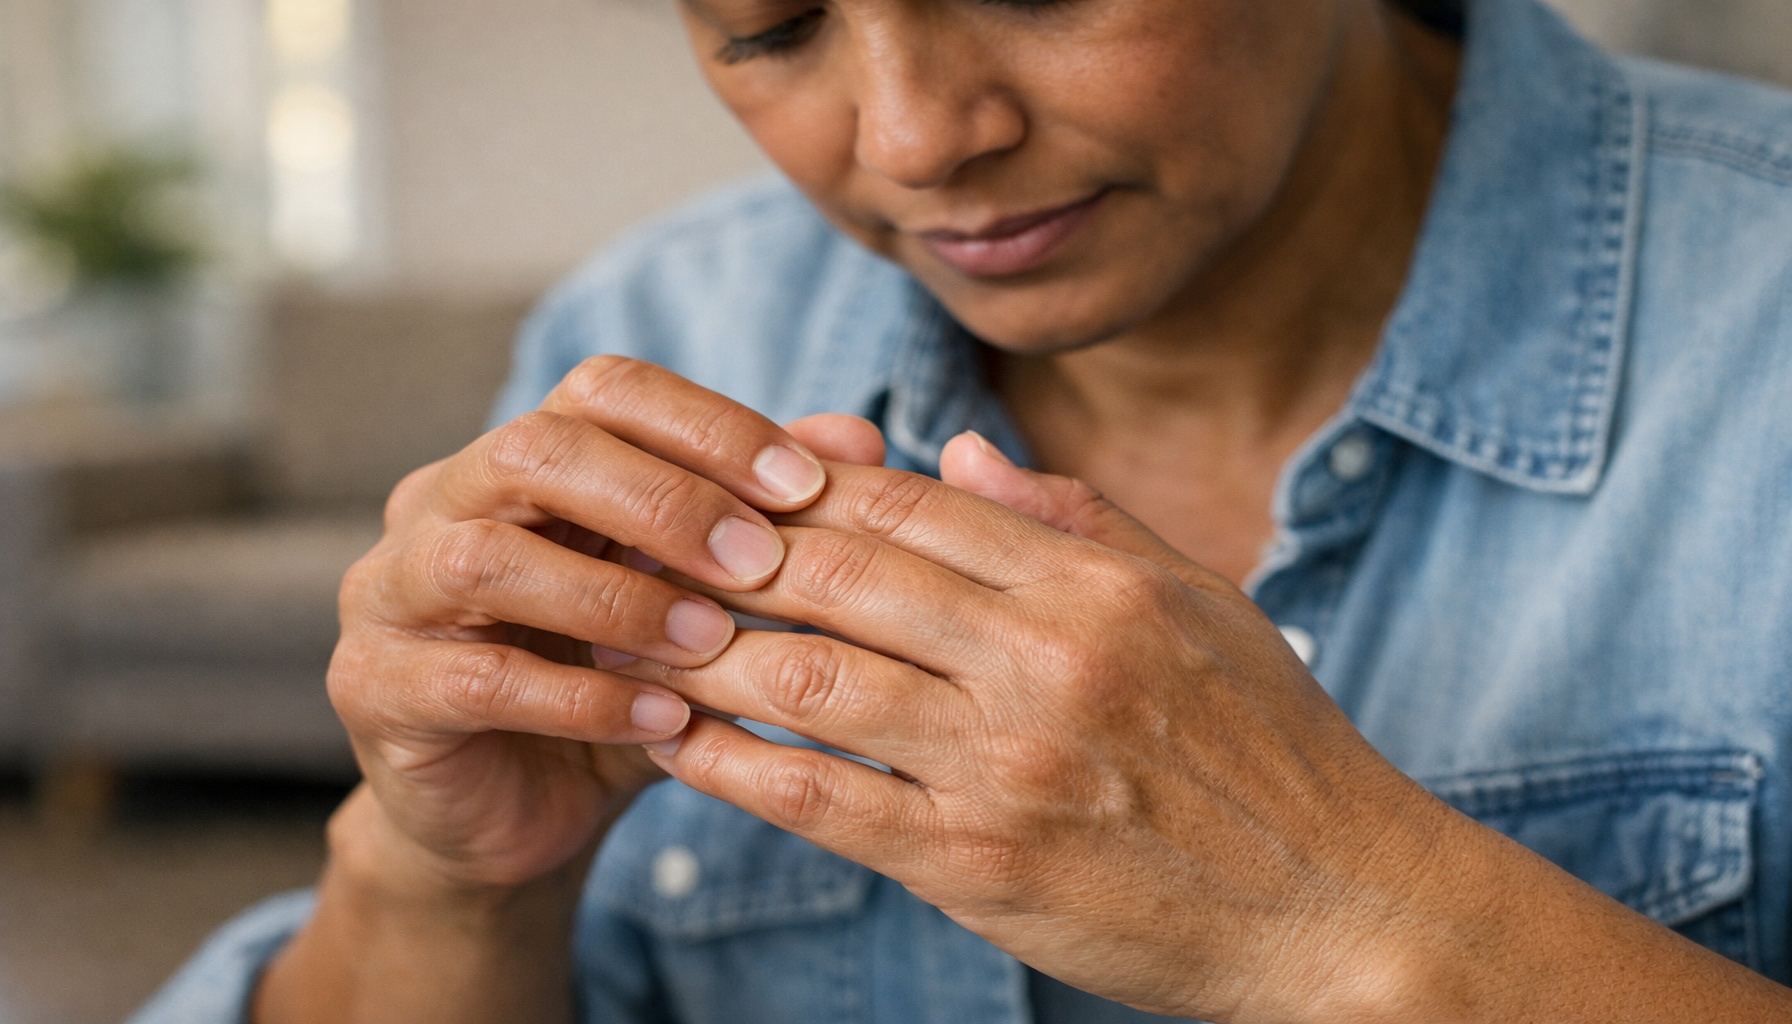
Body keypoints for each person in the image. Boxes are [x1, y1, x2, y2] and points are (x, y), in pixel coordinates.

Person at [133, 0, 1792, 1019]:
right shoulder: (665, 337)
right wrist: (445, 884)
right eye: (774, 25)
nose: (918, 139)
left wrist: (1341, 922)